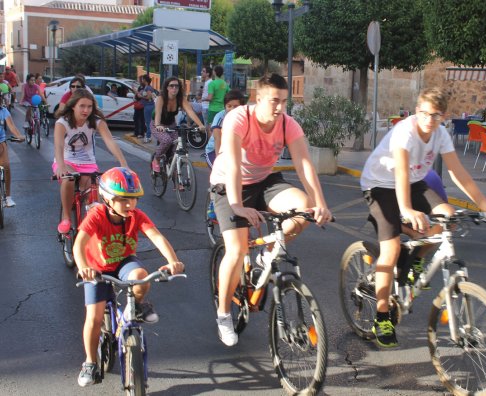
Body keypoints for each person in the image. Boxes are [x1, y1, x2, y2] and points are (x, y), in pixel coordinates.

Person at [360, 87, 486, 348]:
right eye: (424, 114)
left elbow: (458, 172)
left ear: (443, 116)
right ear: (417, 111)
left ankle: (414, 261)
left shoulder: (440, 133)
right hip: (380, 184)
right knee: (391, 248)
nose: (429, 120)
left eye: (436, 115)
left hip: (416, 182)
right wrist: (406, 210)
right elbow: (400, 174)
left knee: (448, 217)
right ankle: (382, 316)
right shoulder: (405, 131)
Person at [210, 73, 333, 346]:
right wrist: (236, 206)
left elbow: (304, 165)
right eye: (274, 101)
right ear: (258, 98)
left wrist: (319, 203)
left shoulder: (288, 124)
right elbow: (231, 163)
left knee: (303, 210)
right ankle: (223, 315)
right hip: (229, 184)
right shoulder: (239, 118)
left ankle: (266, 256)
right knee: (237, 249)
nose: (280, 108)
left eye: (284, 102)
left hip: (264, 180)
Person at [73, 167, 184, 387]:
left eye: (133, 199)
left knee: (142, 276)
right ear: (107, 199)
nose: (129, 205)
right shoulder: (96, 215)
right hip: (96, 268)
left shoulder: (136, 216)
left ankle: (139, 306)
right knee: (94, 318)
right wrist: (84, 267)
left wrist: (173, 261)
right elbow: (79, 244)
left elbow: (156, 237)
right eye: (123, 200)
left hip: (123, 262)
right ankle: (89, 362)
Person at [53, 89, 128, 233]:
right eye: (82, 106)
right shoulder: (62, 122)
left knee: (93, 190)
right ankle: (66, 217)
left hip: (87, 162)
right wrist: (61, 166)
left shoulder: (96, 122)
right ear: (73, 106)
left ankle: (91, 224)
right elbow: (59, 145)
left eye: (89, 106)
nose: (86, 110)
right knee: (68, 179)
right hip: (66, 160)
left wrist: (123, 163)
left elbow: (110, 142)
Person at [150, 77, 204, 172]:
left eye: (176, 86)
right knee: (167, 140)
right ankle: (156, 159)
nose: (174, 88)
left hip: (171, 124)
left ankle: (178, 183)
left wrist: (200, 125)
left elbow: (190, 112)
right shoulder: (161, 98)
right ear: (167, 87)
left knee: (178, 146)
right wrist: (158, 126)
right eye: (171, 86)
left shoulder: (180, 99)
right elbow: (158, 113)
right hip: (157, 124)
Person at [204, 88, 245, 167]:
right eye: (229, 106)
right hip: (213, 150)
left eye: (236, 107)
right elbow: (217, 138)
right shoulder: (220, 117)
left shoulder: (244, 118)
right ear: (225, 106)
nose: (232, 109)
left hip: (232, 151)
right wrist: (219, 159)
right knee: (221, 174)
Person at [0, 93, 25, 207]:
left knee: (6, 167)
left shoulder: (3, 110)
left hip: (1, 142)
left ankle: (8, 197)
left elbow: (12, 126)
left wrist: (19, 136)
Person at [138, 74, 156, 143]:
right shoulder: (147, 87)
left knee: (148, 122)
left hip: (149, 106)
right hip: (148, 106)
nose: (141, 80)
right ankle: (148, 136)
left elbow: (148, 97)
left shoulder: (148, 88)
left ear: (145, 80)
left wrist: (141, 96)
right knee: (148, 122)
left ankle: (148, 137)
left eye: (142, 79)